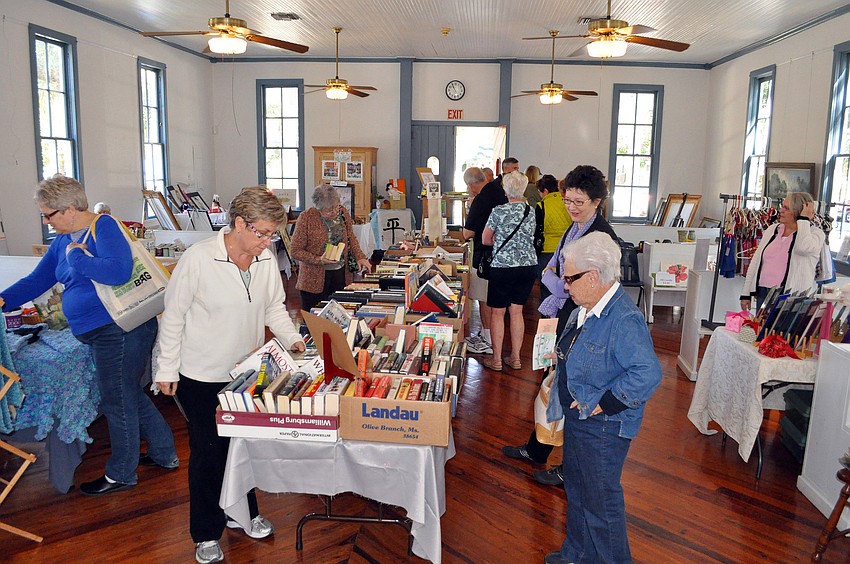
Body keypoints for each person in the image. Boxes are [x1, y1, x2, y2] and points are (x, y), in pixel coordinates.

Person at [155, 187, 306, 564]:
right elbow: (173, 317)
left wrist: (293, 340)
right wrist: (166, 368)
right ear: (239, 224)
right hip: (202, 374)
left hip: (249, 372)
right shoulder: (199, 258)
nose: (267, 241)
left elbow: (274, 307)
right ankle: (206, 532)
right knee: (209, 452)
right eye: (262, 233)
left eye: (272, 234)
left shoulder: (265, 258)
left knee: (245, 446)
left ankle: (242, 512)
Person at [1, 174, 177, 496]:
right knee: (126, 393)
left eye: (48, 214)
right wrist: (2, 300)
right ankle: (165, 452)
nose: (46, 220)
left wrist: (77, 258)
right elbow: (34, 282)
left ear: (69, 208)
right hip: (101, 332)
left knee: (116, 399)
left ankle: (122, 474)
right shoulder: (61, 242)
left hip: (122, 329)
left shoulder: (104, 227)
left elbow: (118, 271)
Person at [543, 232, 661, 564]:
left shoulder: (624, 319)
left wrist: (607, 401)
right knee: (578, 492)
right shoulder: (588, 305)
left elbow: (647, 373)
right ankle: (578, 554)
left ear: (593, 277)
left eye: (570, 279)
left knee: (601, 502)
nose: (565, 286)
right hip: (581, 419)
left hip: (604, 426)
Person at [503, 164, 618, 486]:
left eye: (579, 202)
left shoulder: (601, 236)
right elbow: (557, 267)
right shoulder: (575, 228)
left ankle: (571, 469)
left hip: (585, 323)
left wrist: (557, 280)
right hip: (565, 315)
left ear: (597, 201)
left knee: (574, 393)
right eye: (568, 200)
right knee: (554, 384)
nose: (571, 208)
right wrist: (556, 278)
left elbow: (589, 285)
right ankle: (537, 450)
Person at [479, 170, 537, 371]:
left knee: (497, 312)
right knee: (517, 311)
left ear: (505, 188)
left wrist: (498, 241)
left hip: (503, 266)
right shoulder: (531, 211)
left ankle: (496, 359)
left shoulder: (498, 211)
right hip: (528, 265)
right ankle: (516, 358)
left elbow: (485, 239)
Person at [291, 185, 372, 313]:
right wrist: (319, 260)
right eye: (328, 210)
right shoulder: (306, 218)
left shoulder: (343, 213)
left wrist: (360, 256)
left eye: (336, 207)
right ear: (318, 208)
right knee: (315, 320)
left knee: (339, 316)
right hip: (313, 280)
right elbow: (295, 250)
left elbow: (351, 238)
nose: (334, 212)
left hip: (340, 275)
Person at [740, 192, 824, 311]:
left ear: (798, 212)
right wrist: (746, 292)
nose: (780, 210)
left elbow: (803, 248)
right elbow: (756, 262)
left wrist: (804, 220)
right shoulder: (772, 230)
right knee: (762, 329)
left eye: (786, 208)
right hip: (764, 292)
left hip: (792, 298)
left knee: (780, 330)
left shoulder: (815, 234)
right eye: (782, 206)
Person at [462, 165, 509, 355]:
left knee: (483, 298)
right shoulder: (498, 191)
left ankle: (488, 341)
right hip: (502, 255)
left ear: (471, 185)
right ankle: (486, 335)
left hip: (484, 257)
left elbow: (467, 233)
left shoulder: (481, 199)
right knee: (494, 300)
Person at [533, 174, 572, 300]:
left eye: (540, 192)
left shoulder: (541, 205)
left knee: (546, 285)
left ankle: (547, 316)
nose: (540, 195)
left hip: (547, 250)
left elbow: (537, 229)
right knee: (565, 285)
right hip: (566, 249)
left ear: (545, 190)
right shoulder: (567, 202)